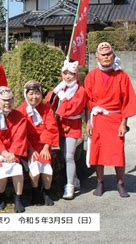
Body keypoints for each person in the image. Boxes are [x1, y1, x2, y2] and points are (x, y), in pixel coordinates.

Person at [84, 42, 136, 197]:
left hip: (115, 119)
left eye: (109, 54)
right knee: (98, 151)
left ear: (113, 56)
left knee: (118, 152)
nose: (106, 57)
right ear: (97, 57)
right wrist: (88, 121)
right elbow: (88, 102)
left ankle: (120, 183)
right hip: (98, 119)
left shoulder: (122, 76)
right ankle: (100, 182)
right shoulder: (91, 76)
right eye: (103, 55)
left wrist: (124, 123)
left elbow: (127, 101)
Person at [47, 60, 87, 200]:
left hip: (73, 125)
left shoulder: (80, 91)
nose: (68, 76)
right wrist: (55, 91)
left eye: (71, 73)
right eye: (65, 73)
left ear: (76, 75)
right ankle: (75, 180)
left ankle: (69, 185)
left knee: (69, 155)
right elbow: (49, 102)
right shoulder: (61, 88)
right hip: (60, 124)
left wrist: (62, 97)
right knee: (65, 156)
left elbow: (72, 109)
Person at [0, 86, 28, 213]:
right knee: (1, 170)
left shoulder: (19, 116)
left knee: (17, 169)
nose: (7, 103)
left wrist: (12, 153)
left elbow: (19, 137)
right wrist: (3, 152)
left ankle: (18, 199)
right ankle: (1, 197)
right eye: (4, 100)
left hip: (13, 151)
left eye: (10, 100)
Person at [18, 80, 59, 206]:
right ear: (26, 94)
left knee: (46, 168)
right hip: (28, 146)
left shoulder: (46, 108)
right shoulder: (21, 110)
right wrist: (30, 149)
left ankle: (46, 192)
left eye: (37, 93)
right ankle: (36, 192)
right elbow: (20, 133)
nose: (34, 97)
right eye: (31, 93)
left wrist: (46, 147)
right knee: (35, 167)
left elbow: (51, 128)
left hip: (43, 145)